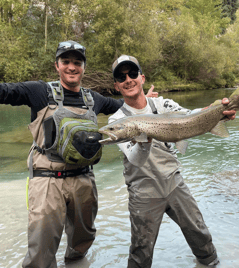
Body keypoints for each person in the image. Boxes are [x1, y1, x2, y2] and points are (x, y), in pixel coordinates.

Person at [0, 41, 157, 267]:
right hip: (46, 181)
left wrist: (144, 99)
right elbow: (5, 92)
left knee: (82, 243)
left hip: (84, 180)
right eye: (66, 62)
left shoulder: (94, 98)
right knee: (40, 253)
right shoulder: (38, 91)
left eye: (77, 62)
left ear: (84, 67)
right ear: (57, 66)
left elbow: (124, 107)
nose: (71, 67)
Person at [108, 55, 236, 267]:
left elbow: (190, 116)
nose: (128, 79)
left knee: (201, 236)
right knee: (141, 252)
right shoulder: (116, 121)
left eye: (132, 74)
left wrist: (217, 111)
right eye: (121, 77)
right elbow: (136, 159)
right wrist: (144, 140)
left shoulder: (162, 103)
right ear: (116, 86)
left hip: (174, 183)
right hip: (143, 192)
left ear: (142, 78)